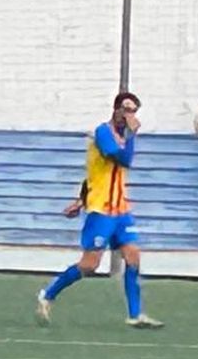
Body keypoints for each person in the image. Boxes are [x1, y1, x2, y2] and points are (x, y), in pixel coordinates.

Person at [36, 92, 164, 329]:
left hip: (121, 210)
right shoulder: (103, 133)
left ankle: (135, 314)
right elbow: (122, 160)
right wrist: (132, 135)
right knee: (89, 265)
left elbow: (93, 176)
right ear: (116, 110)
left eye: (134, 111)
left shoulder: (123, 135)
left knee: (133, 257)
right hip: (101, 211)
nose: (130, 115)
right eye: (126, 109)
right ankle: (48, 294)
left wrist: (79, 199)